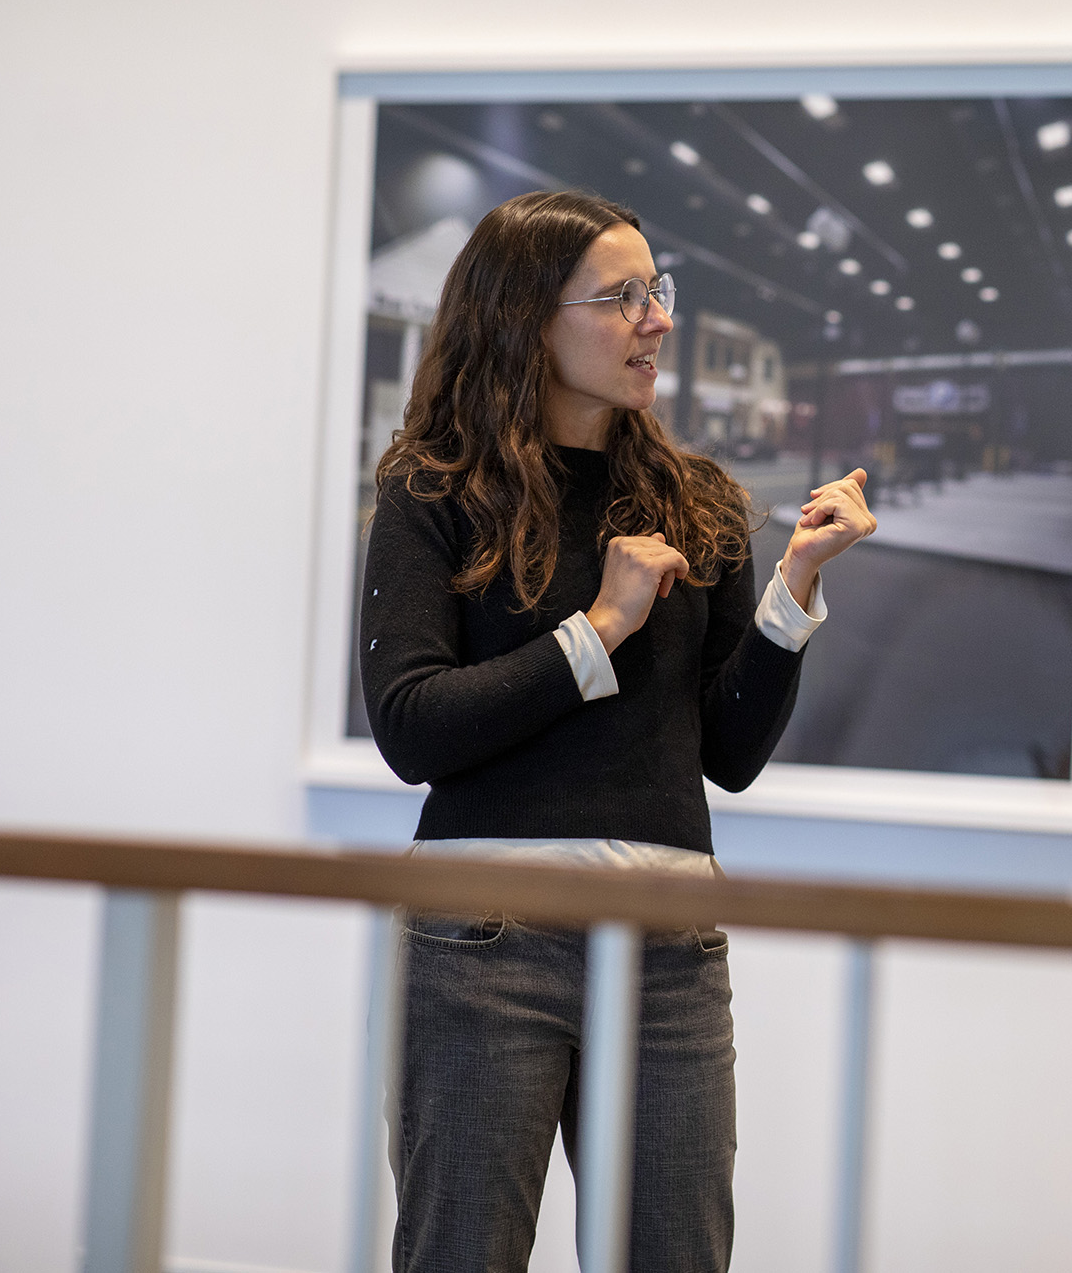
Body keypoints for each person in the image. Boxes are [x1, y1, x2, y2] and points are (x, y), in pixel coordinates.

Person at [358, 188, 875, 1273]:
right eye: (622, 296)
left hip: (669, 947)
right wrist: (596, 632)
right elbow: (412, 725)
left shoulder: (699, 498)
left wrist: (791, 590)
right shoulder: (431, 488)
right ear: (525, 320)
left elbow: (726, 756)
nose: (658, 319)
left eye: (659, 291)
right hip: (481, 938)